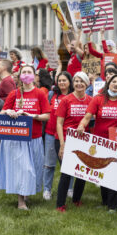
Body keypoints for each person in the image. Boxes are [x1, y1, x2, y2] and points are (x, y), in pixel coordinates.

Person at [0, 64, 51, 210]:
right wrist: (9, 112)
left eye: (29, 72)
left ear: (34, 76)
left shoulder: (40, 94)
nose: (26, 74)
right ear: (20, 75)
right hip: (18, 138)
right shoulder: (14, 94)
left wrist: (33, 116)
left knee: (33, 168)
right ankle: (21, 201)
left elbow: (47, 115)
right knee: (23, 169)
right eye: (24, 72)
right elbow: (2, 112)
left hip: (34, 137)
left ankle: (25, 192)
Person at [77, 74, 117, 211]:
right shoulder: (98, 99)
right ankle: (105, 201)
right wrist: (82, 126)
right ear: (108, 83)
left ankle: (113, 206)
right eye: (114, 82)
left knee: (115, 174)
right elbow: (87, 116)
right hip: (100, 141)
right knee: (102, 172)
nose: (116, 85)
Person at [55, 72, 93, 212]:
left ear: (86, 84)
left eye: (81, 81)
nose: (78, 84)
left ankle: (76, 199)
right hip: (65, 139)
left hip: (83, 140)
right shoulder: (66, 100)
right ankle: (60, 204)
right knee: (66, 172)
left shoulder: (90, 100)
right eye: (76, 81)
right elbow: (59, 123)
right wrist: (62, 145)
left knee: (82, 173)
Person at [43, 71, 73, 201]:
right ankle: (47, 190)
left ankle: (69, 189)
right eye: (59, 80)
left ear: (69, 82)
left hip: (68, 135)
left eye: (64, 80)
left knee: (69, 165)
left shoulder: (73, 96)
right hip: (50, 133)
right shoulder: (51, 95)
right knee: (49, 164)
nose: (61, 83)